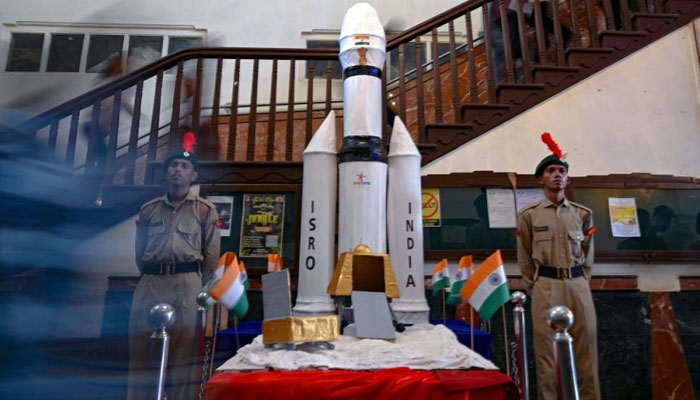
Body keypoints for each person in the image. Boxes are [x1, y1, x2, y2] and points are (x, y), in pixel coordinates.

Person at [127, 138, 220, 400]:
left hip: (187, 282)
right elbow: (139, 253)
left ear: (193, 175)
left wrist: (200, 290)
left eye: (184, 166)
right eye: (173, 165)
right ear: (166, 173)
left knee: (183, 354)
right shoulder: (149, 210)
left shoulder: (204, 210)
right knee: (141, 350)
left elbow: (211, 257)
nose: (177, 169)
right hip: (151, 282)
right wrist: (153, 273)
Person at [516, 133, 600, 400]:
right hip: (546, 285)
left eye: (561, 171)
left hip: (577, 285)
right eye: (550, 171)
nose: (557, 175)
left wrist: (581, 281)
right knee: (547, 356)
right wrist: (536, 285)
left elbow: (588, 253)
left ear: (568, 178)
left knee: (587, 352)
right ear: (541, 179)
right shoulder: (529, 215)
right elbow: (525, 257)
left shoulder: (582, 213)